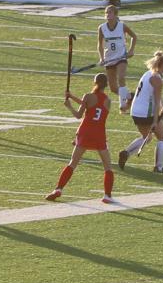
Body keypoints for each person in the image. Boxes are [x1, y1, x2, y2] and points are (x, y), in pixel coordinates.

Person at [47, 74, 116, 204]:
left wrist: (69, 105)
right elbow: (94, 108)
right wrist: (72, 97)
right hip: (99, 133)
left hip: (85, 132)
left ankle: (58, 189)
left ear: (94, 82)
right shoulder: (108, 100)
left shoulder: (88, 96)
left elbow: (80, 114)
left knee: (73, 163)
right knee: (108, 166)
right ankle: (107, 195)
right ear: (106, 84)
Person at [118, 52, 163, 172]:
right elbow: (156, 102)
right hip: (146, 113)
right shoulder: (157, 79)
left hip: (135, 111)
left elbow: (154, 95)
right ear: (162, 66)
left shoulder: (147, 74)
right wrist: (155, 121)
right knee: (162, 138)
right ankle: (159, 167)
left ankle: (126, 153)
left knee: (146, 137)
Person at [96, 0, 137, 105]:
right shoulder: (102, 28)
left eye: (110, 12)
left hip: (121, 57)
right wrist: (101, 58)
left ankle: (123, 105)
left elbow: (134, 36)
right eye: (106, 13)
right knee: (113, 88)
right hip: (109, 59)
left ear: (115, 14)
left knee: (121, 78)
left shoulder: (122, 26)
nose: (107, 14)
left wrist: (131, 50)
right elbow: (100, 45)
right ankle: (131, 97)